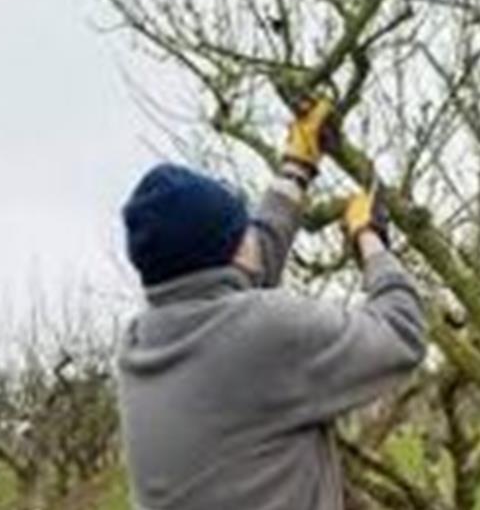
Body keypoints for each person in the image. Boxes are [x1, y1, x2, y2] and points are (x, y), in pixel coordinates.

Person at [116, 99, 426, 509]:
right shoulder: (264, 333)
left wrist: (297, 168)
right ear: (227, 251)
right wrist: (370, 241)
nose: (251, 234)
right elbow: (401, 335)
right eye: (240, 229)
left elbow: (243, 267)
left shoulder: (141, 344)